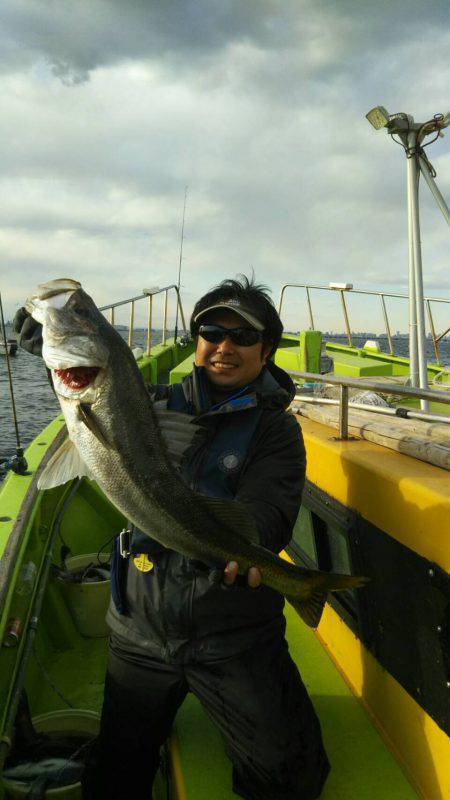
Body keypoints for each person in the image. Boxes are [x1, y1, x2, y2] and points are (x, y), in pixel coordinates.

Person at [15, 276, 330, 800]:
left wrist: (238, 551)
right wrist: (51, 363)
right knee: (114, 773)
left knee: (291, 777)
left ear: (267, 349)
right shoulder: (151, 402)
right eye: (212, 331)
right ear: (196, 340)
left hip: (232, 631)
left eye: (243, 337)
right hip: (141, 627)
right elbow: (93, 408)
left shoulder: (277, 432)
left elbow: (266, 518)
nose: (225, 347)